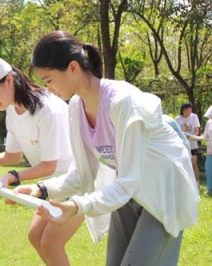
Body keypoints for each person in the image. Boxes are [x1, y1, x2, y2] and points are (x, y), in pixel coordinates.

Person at [16, 31, 199, 265]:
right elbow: (82, 175)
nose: (47, 88)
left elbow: (129, 179)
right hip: (128, 193)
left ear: (73, 68)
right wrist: (40, 190)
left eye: (49, 79)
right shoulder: (75, 107)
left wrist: (76, 205)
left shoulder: (121, 101)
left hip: (163, 192)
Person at [0, 54, 83, 266]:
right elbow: (13, 156)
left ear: (8, 80)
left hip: (77, 181)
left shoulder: (47, 109)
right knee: (35, 237)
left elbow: (50, 165)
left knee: (50, 244)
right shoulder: (11, 111)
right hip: (52, 185)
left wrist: (11, 177)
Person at [175, 102, 201, 189]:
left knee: (193, 163)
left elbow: (197, 130)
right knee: (184, 163)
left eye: (190, 111)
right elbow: (175, 132)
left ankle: (197, 184)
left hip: (193, 144)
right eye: (186, 111)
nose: (188, 113)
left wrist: (192, 137)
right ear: (182, 111)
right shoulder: (177, 119)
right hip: (182, 145)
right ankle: (186, 184)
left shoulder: (194, 117)